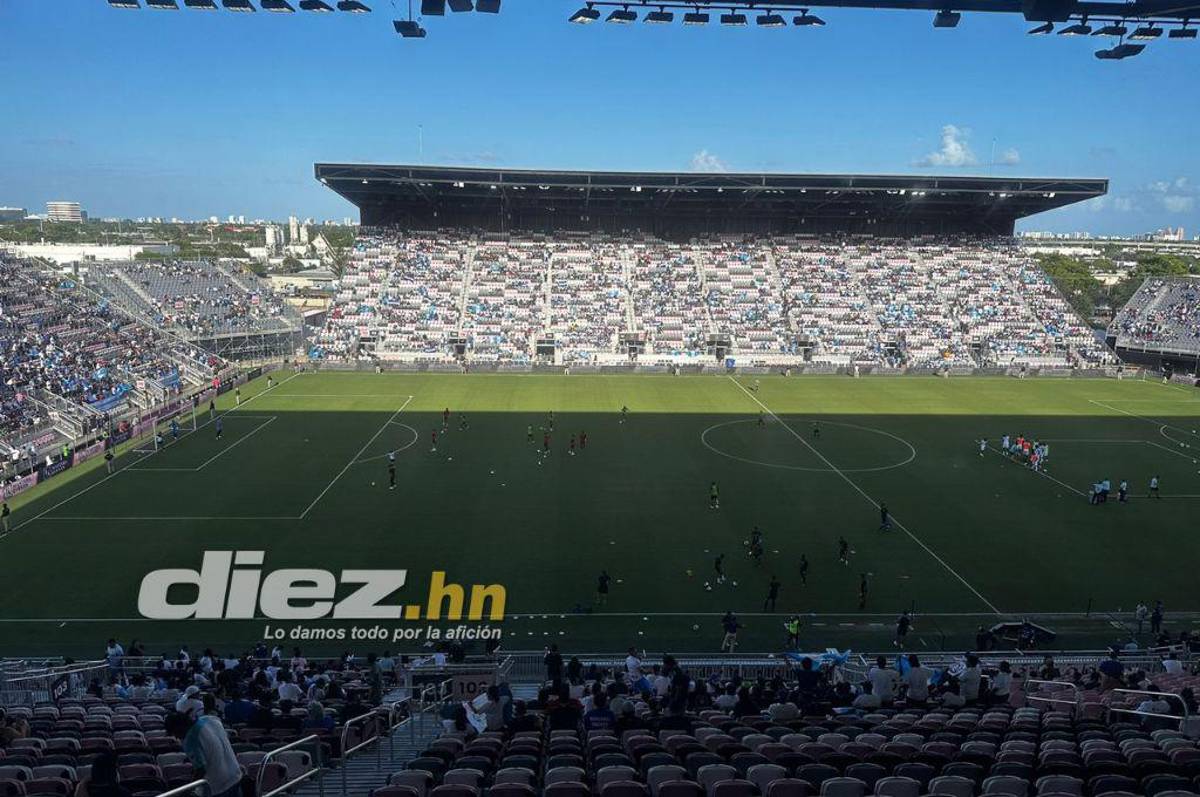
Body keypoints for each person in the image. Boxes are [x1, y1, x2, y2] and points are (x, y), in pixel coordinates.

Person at [166, 712, 243, 797]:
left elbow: (201, 770)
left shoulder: (190, 740)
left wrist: (187, 790)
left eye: (175, 733)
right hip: (235, 775)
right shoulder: (211, 719)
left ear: (180, 727)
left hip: (219, 787)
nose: (177, 737)